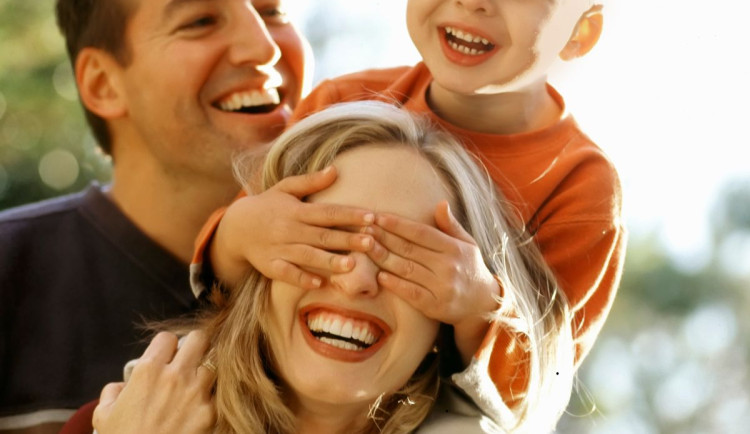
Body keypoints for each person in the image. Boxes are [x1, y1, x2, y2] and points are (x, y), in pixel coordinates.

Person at [193, 0, 625, 420]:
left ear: (581, 32)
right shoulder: (342, 100)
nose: (472, 3)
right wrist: (237, 235)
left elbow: (541, 386)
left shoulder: (583, 185)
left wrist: (480, 306)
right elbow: (230, 290)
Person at [90, 101, 575, 434]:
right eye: (325, 240)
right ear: (257, 271)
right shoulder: (122, 418)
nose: (357, 280)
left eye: (406, 258)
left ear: (444, 331)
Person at [0, 1, 373, 432]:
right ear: (103, 83)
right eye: (200, 21)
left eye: (273, 12)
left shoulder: (365, 282)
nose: (264, 47)